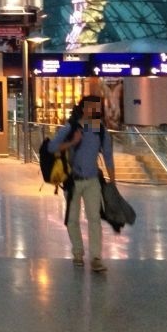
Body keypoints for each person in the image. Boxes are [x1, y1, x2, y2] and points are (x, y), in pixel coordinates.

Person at [49, 95, 116, 272]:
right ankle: (78, 252)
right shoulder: (71, 127)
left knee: (94, 218)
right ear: (84, 108)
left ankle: (95, 257)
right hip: (73, 181)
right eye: (91, 107)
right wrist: (72, 142)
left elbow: (108, 155)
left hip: (93, 180)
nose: (94, 111)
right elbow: (52, 147)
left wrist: (113, 181)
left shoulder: (99, 129)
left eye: (97, 107)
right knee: (72, 219)